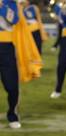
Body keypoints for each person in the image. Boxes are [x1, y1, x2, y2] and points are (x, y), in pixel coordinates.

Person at [0, 0, 21, 128]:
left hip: (6, 47)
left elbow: (14, 19)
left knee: (11, 85)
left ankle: (12, 112)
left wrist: (2, 6)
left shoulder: (10, 3)